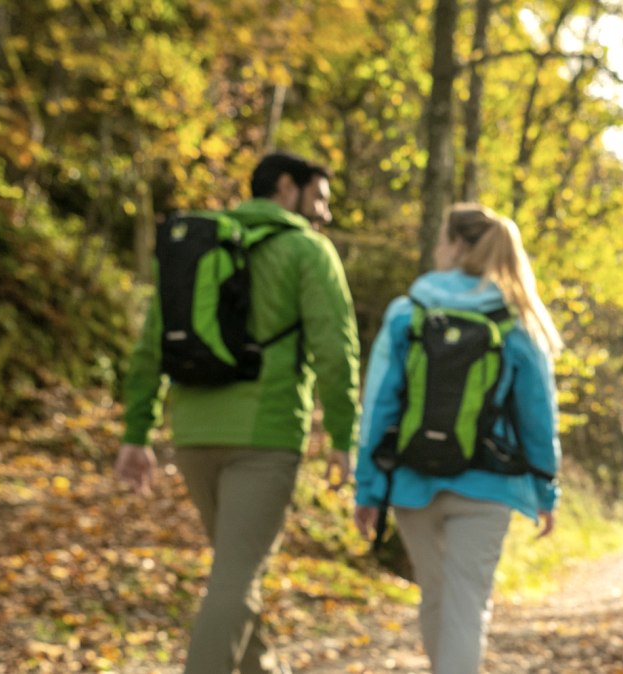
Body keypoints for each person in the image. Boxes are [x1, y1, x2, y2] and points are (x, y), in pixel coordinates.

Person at [115, 152, 360, 674]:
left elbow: (150, 345)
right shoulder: (307, 251)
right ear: (287, 187)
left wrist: (136, 433)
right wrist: (344, 435)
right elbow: (335, 350)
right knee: (236, 581)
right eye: (319, 198)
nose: (325, 214)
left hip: (194, 436)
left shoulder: (197, 248)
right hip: (265, 439)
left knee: (235, 575)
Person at [352, 204, 561, 674]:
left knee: (436, 597)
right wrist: (546, 488)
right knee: (467, 606)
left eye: (441, 239)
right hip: (489, 487)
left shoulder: (408, 312)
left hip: (411, 482)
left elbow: (378, 407)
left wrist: (367, 488)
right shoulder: (515, 319)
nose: (435, 249)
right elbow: (538, 417)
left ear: (457, 246)